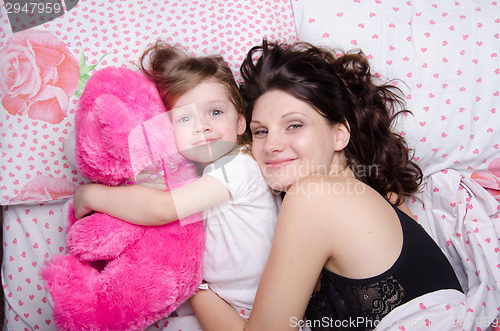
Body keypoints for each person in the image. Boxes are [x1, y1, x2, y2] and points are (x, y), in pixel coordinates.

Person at [187, 40, 463, 331]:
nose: (271, 145)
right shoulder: (382, 198)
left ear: (340, 135)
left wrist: (192, 284)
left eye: (294, 125)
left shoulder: (311, 196)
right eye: (261, 131)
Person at [73, 41, 281, 324]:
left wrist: (91, 195)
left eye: (216, 112)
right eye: (185, 118)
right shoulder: (201, 174)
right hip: (224, 301)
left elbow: (163, 209)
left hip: (252, 307)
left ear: (241, 123)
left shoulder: (238, 166)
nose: (202, 125)